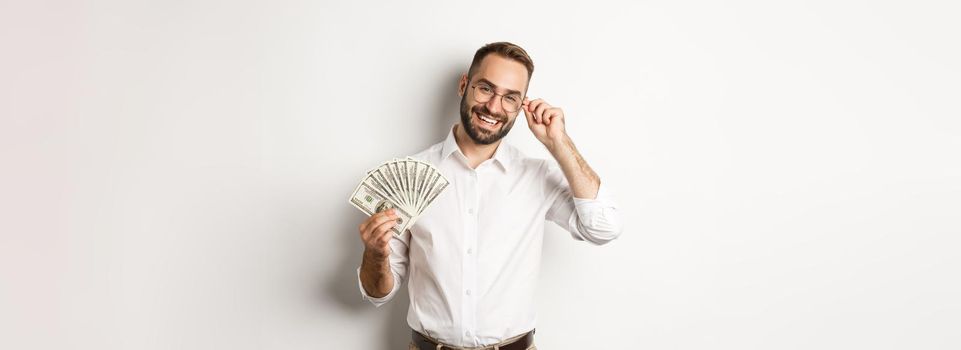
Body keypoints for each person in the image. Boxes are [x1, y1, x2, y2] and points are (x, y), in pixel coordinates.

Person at [356, 41, 623, 350]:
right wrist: (374, 255)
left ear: (522, 105)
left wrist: (559, 143)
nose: (494, 107)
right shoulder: (410, 177)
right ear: (464, 85)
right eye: (485, 89)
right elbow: (378, 294)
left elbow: (604, 228)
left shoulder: (537, 176)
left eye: (510, 98)